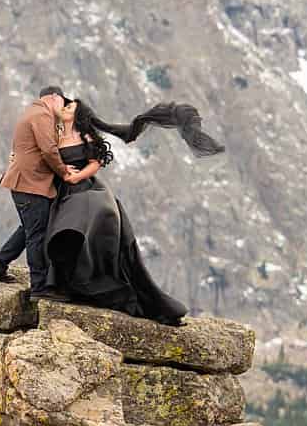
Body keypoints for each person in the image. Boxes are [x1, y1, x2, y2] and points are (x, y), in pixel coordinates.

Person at [41, 97, 227, 325]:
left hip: (84, 188)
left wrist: (77, 175)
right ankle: (64, 280)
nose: (65, 108)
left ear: (77, 115)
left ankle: (89, 279)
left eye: (70, 107)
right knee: (64, 228)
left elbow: (96, 162)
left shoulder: (85, 136)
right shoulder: (55, 134)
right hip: (63, 190)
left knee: (86, 218)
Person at [0, 85, 67, 291]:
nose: (64, 105)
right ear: (55, 98)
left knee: (28, 229)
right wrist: (65, 171)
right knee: (36, 235)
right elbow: (49, 150)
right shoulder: (42, 114)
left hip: (24, 184)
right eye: (62, 102)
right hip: (31, 186)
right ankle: (39, 287)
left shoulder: (33, 112)